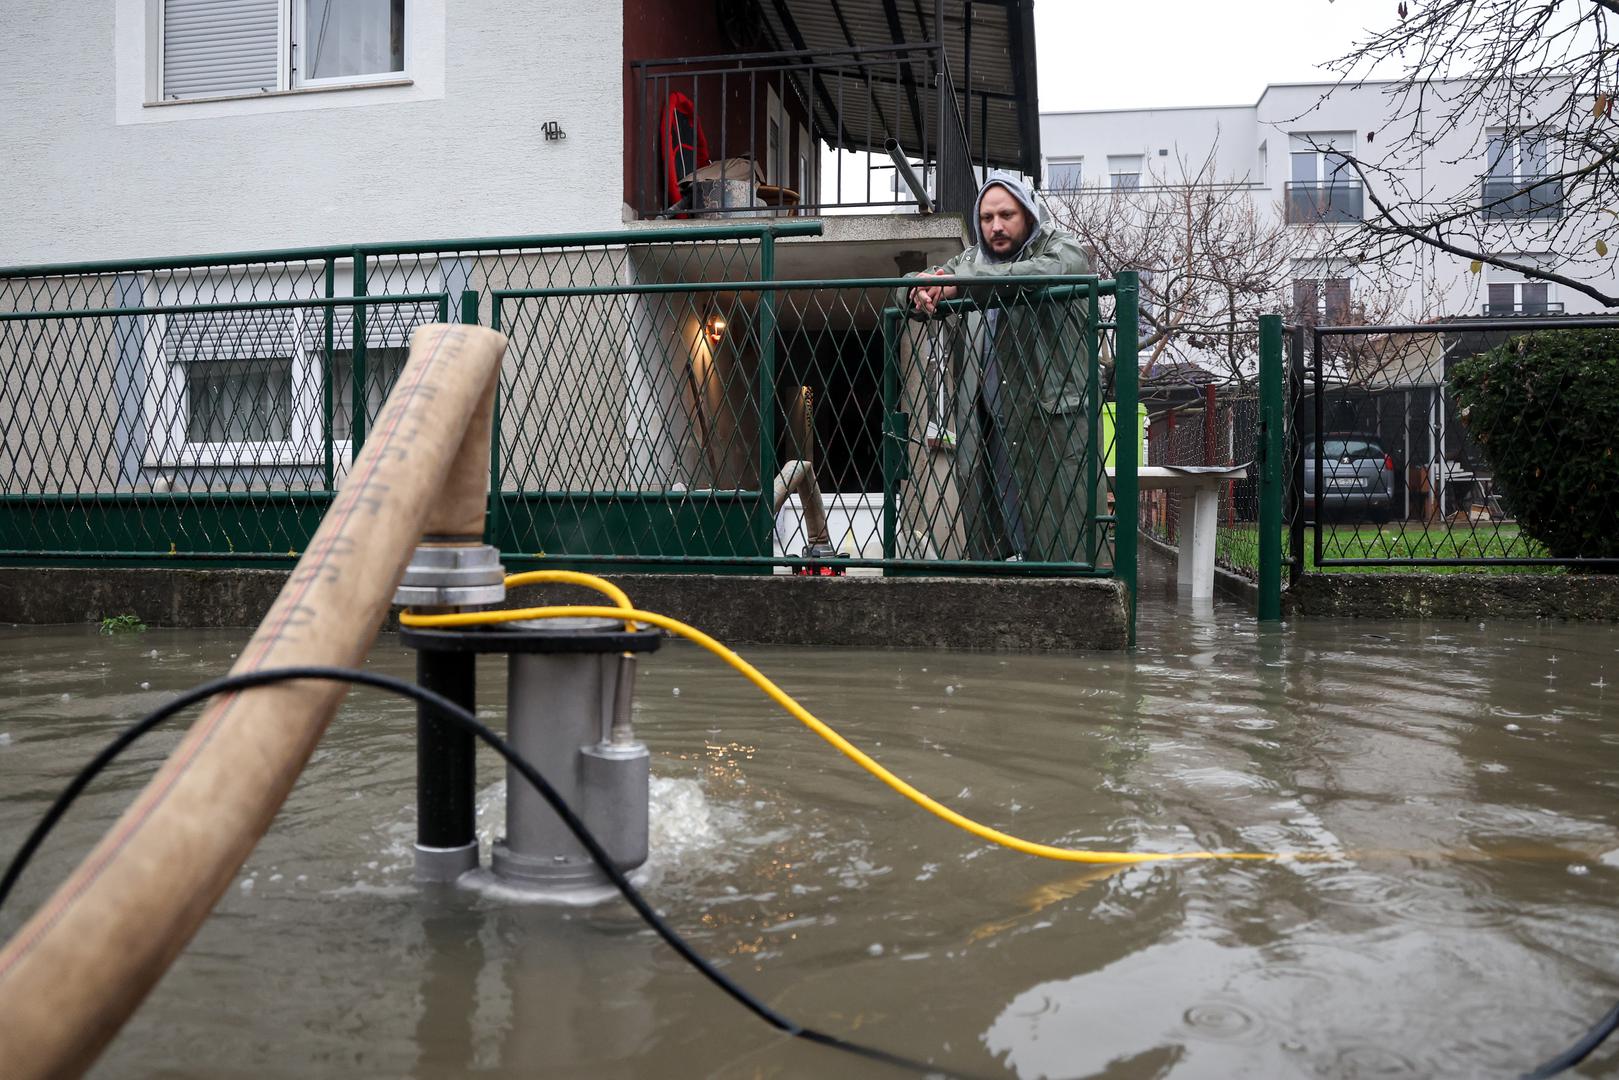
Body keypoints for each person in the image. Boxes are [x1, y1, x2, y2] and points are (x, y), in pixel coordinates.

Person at [904, 172, 1093, 563]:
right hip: (983, 422)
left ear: (1027, 213)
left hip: (1046, 420)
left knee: (1057, 537)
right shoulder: (971, 261)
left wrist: (959, 283)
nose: (996, 226)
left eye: (1006, 215)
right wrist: (918, 286)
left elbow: (1045, 275)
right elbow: (916, 281)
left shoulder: (1061, 248)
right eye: (987, 218)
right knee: (991, 536)